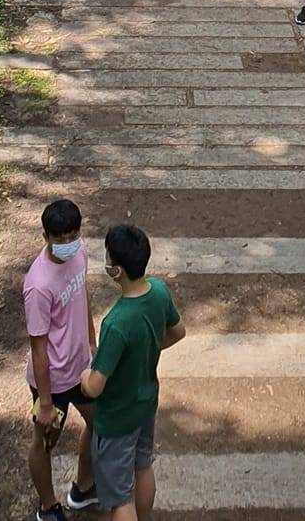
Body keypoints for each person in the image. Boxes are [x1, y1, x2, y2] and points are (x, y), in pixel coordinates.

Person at [80, 223, 185, 521]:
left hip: (116, 419)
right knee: (143, 466)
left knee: (120, 499)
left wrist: (83, 376)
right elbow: (178, 331)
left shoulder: (116, 323)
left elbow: (95, 386)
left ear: (117, 271)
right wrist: (146, 349)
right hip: (146, 405)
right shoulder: (159, 291)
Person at [24, 197, 98, 520]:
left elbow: (83, 296)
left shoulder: (79, 253)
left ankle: (84, 488)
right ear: (46, 237)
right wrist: (44, 403)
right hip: (52, 382)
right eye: (60, 238)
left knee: (100, 424)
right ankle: (48, 506)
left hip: (81, 367)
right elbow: (38, 347)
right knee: (44, 443)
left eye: (73, 235)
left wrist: (92, 342)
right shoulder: (38, 286)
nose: (68, 242)